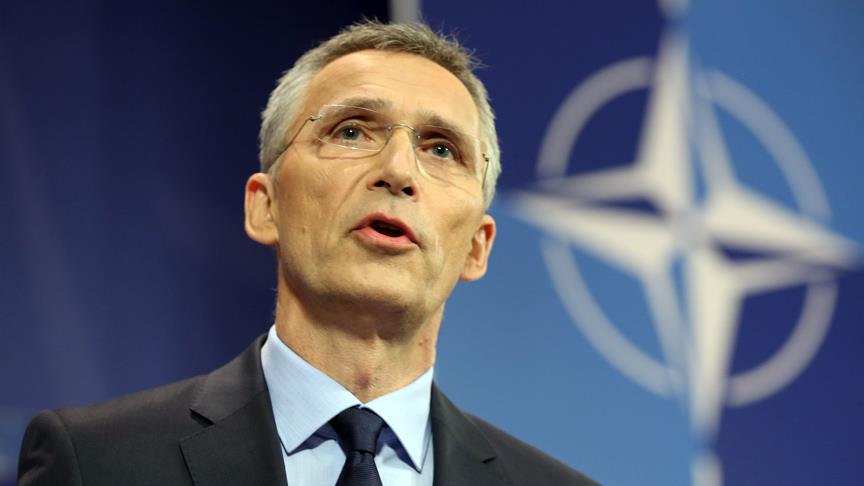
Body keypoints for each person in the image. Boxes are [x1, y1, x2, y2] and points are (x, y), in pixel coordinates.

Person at [17, 21, 598, 486]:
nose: (398, 170)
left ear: (477, 246)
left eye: (441, 148)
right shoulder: (99, 463)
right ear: (265, 206)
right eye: (352, 131)